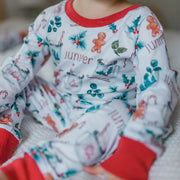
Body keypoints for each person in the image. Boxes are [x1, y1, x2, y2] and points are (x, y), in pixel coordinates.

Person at [0, 0, 179, 179]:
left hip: (110, 115)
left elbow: (157, 88)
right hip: (63, 107)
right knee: (16, 79)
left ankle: (23, 171)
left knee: (122, 111)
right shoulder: (51, 17)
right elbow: (18, 69)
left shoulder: (141, 20)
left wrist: (131, 156)